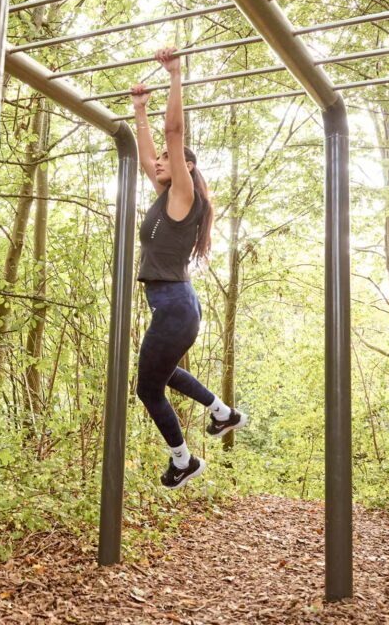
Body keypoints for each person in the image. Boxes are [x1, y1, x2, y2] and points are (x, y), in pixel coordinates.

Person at [131, 47, 247, 489]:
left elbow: (174, 131)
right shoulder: (165, 196)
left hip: (176, 305)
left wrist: (175, 75)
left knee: (148, 388)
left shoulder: (184, 195)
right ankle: (222, 412)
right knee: (164, 374)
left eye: (168, 158)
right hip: (175, 303)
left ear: (185, 166)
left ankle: (183, 460)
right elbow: (147, 157)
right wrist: (139, 109)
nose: (159, 161)